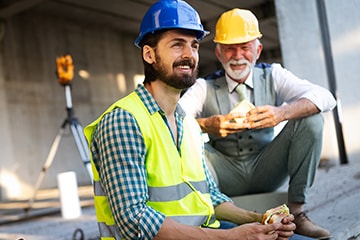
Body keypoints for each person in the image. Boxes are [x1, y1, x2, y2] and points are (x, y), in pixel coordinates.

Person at [83, 1, 306, 239]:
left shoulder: (187, 122)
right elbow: (134, 220)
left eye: (195, 45)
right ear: (149, 54)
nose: (189, 55)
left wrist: (258, 220)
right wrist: (231, 237)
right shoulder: (123, 122)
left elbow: (210, 196)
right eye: (177, 45)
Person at [179, 8, 336, 240]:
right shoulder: (204, 87)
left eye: (245, 47)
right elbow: (173, 119)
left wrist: (282, 112)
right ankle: (211, 218)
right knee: (188, 137)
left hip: (267, 167)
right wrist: (206, 124)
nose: (237, 55)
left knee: (311, 118)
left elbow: (326, 97)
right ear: (219, 53)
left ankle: (297, 212)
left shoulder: (274, 75)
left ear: (258, 50)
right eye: (230, 48)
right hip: (224, 173)